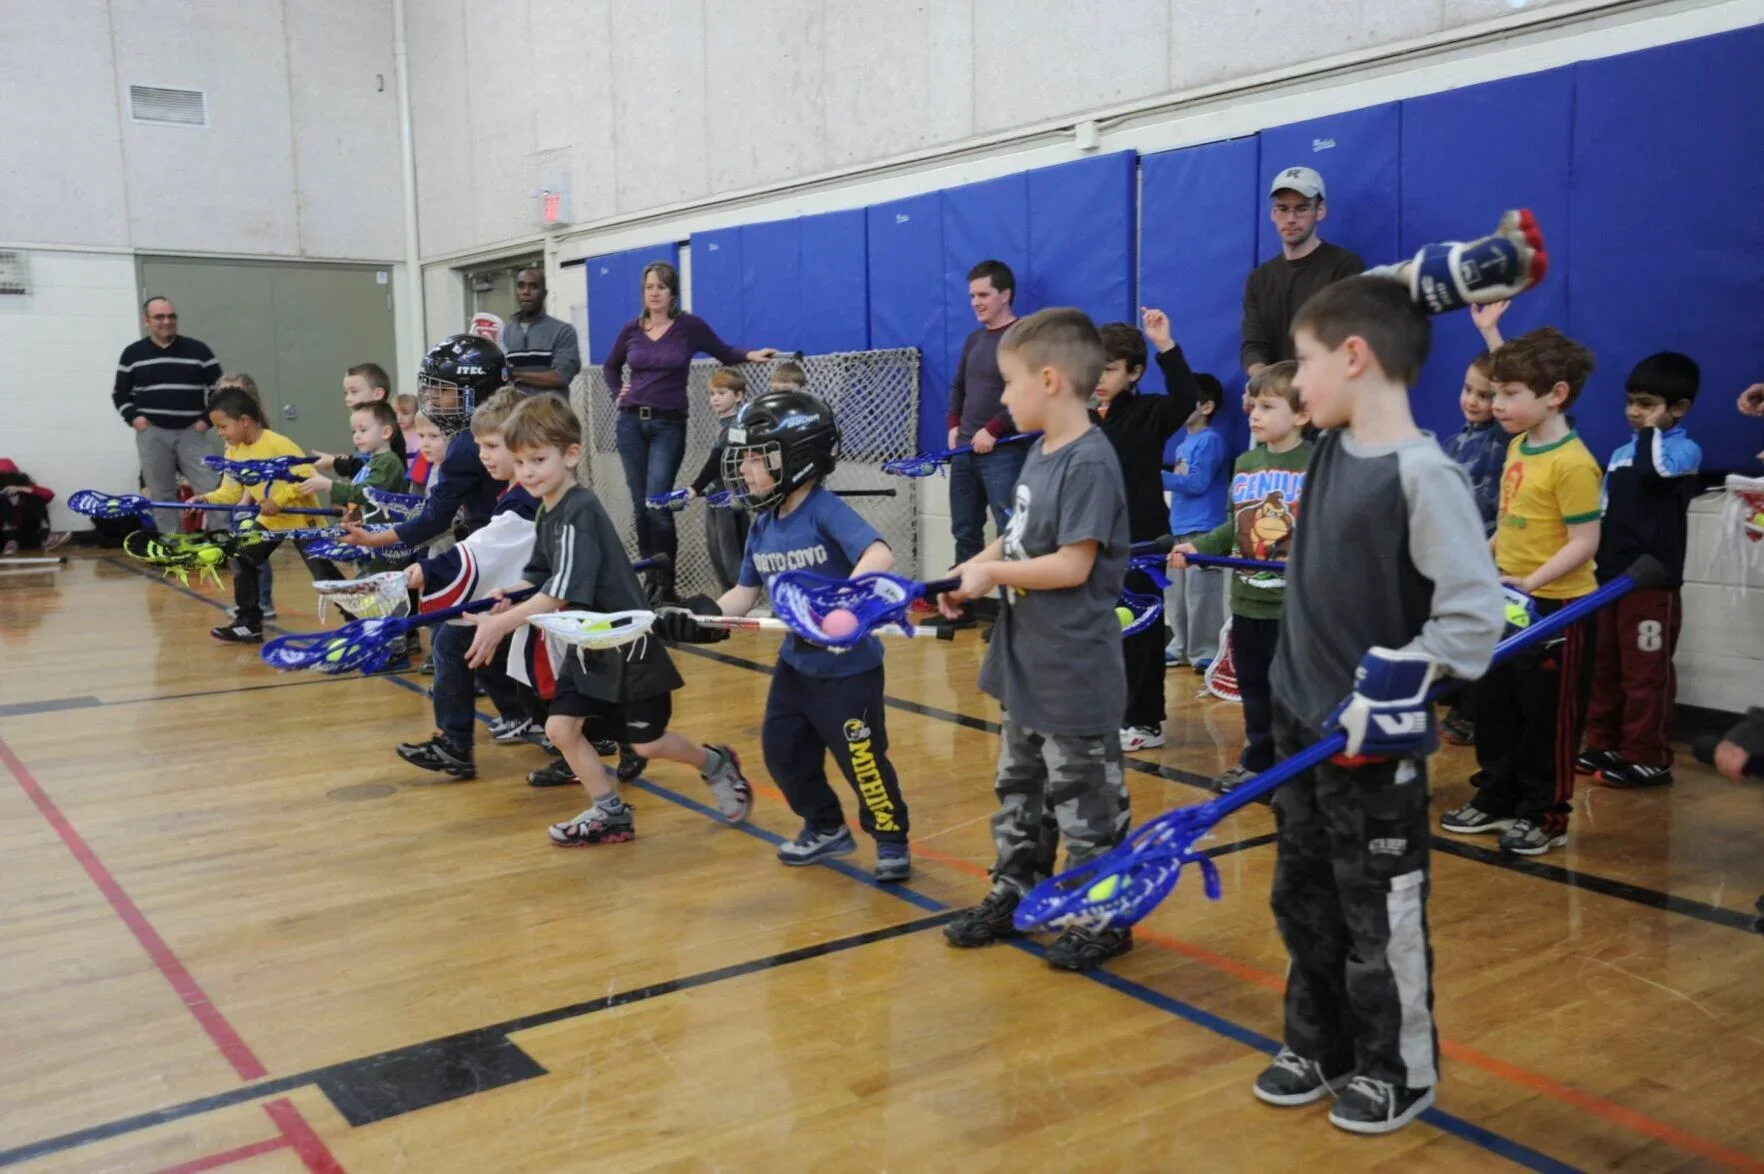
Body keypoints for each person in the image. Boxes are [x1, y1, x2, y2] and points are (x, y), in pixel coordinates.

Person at [1257, 274, 1503, 1135]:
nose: (1296, 381)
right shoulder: (1330, 444)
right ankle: (1317, 1043)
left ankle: (1398, 1068)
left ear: (1355, 357)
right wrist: (1447, 272)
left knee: (1378, 912)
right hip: (1300, 725)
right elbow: (1365, 299)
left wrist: (1396, 682)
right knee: (1303, 899)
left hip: (1370, 743)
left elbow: (1473, 621)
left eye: (1308, 361)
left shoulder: (1424, 473)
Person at [462, 395, 754, 844]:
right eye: (520, 462)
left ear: (571, 454)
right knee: (560, 728)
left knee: (648, 743)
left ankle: (715, 763)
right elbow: (541, 576)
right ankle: (610, 812)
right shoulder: (546, 510)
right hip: (589, 647)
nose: (527, 472)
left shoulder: (579, 510)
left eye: (538, 460)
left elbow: (559, 593)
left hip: (629, 649)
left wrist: (502, 624)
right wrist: (509, 595)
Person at [936, 308, 1134, 972]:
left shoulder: (1090, 461)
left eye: (1009, 383)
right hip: (1025, 661)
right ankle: (1016, 891)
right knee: (1020, 791)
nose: (1001, 399)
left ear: (1049, 380)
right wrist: (967, 572)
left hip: (1072, 670)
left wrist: (992, 575)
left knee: (1086, 804)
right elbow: (1015, 538)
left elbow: (1073, 565)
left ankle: (1104, 917)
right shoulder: (1039, 454)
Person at [691, 389, 914, 881]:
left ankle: (891, 837)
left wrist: (843, 601)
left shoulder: (823, 510)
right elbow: (743, 595)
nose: (745, 469)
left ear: (796, 459)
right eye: (743, 458)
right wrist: (698, 618)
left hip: (848, 668)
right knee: (782, 751)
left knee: (862, 761)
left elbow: (879, 554)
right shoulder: (762, 525)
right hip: (796, 665)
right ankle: (826, 826)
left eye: (756, 458)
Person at [1442, 327, 1601, 855]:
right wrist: (1480, 561)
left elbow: (1585, 542)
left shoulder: (1573, 463)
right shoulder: (1516, 446)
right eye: (1495, 392)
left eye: (1510, 394)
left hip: (1557, 609)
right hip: (1507, 602)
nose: (1497, 404)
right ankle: (1497, 795)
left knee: (1546, 719)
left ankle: (1544, 812)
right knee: (1496, 708)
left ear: (1555, 395)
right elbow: (1509, 523)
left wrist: (1532, 582)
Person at [1170, 362, 1313, 791]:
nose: (1254, 413)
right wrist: (1198, 546)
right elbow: (1235, 525)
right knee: (1254, 689)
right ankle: (1259, 761)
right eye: (1253, 404)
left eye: (1268, 406)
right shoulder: (1246, 463)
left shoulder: (1317, 462)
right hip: (1248, 601)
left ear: (1302, 414)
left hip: (1294, 608)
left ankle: (1299, 768)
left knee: (1294, 692)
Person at [601, 261, 776, 601]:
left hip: (668, 424)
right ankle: (650, 580)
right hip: (631, 423)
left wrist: (751, 354)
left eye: (661, 287)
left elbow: (724, 352)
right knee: (640, 507)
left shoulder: (688, 327)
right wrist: (616, 392)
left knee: (658, 502)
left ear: (673, 293)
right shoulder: (631, 330)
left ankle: (667, 585)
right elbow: (610, 366)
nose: (654, 293)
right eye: (649, 287)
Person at [397, 388, 542, 777]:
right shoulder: (515, 491)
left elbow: (486, 547)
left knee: (454, 638)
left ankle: (457, 744)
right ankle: (522, 715)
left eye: (492, 446)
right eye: (480, 447)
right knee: (473, 635)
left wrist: (431, 570)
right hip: (529, 594)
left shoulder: (525, 499)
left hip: (554, 602)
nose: (483, 456)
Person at [1578, 352, 1703, 788]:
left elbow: (1655, 474)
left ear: (1679, 408)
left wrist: (1650, 432)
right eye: (1631, 402)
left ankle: (1649, 755)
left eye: (1647, 404)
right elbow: (1604, 512)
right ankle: (1604, 744)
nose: (1634, 411)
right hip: (1609, 580)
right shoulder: (1620, 454)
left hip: (1651, 583)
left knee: (1644, 672)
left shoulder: (1683, 450)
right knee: (1604, 667)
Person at [1090, 314, 1199, 751]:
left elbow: (1186, 396)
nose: (1099, 378)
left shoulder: (1150, 412)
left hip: (1142, 543)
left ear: (1134, 373)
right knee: (1101, 632)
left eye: (1109, 369)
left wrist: (1165, 345)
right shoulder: (1082, 420)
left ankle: (1145, 721)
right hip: (1094, 543)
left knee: (1140, 632)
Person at [343, 335, 509, 559]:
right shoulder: (511, 422)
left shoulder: (466, 444)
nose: (431, 398)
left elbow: (436, 517)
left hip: (492, 549)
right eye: (430, 389)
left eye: (443, 390)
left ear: (477, 392)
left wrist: (373, 539)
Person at [192, 387, 324, 643]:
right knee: (243, 555)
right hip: (271, 519)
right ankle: (248, 623)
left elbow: (309, 477)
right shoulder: (233, 452)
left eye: (223, 427)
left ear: (244, 421)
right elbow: (230, 492)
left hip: (302, 519)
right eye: (217, 428)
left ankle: (361, 625)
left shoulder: (278, 444)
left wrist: (279, 500)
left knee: (325, 576)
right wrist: (205, 499)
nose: (220, 433)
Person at [942, 259, 1026, 629]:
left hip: (1003, 452)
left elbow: (1026, 389)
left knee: (1009, 533)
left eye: (983, 295)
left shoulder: (1022, 337)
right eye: (972, 296)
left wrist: (994, 429)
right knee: (965, 530)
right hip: (964, 450)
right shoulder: (974, 339)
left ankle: (1012, 617)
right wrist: (953, 423)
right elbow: (959, 386)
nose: (976, 302)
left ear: (1005, 295)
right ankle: (962, 609)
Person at [1436, 348, 1506, 746]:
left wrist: (1492, 337)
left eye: (1486, 395)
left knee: (1482, 639)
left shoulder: (1503, 438)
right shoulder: (1454, 441)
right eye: (1468, 390)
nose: (1473, 401)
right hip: (1453, 558)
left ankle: (1476, 715)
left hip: (1488, 555)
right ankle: (1461, 706)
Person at [112, 296, 223, 533]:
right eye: (159, 317)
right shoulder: (132, 354)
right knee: (161, 495)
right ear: (146, 321)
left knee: (213, 490)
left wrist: (206, 421)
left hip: (192, 434)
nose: (167, 321)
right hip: (152, 433)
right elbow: (120, 394)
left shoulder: (199, 351)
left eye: (171, 316)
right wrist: (134, 419)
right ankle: (174, 546)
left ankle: (223, 542)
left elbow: (220, 390)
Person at [1240, 168, 1364, 379]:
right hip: (1278, 392)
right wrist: (1264, 381)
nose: (1291, 218)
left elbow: (1347, 339)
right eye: (1283, 209)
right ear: (1273, 214)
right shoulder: (1259, 279)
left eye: (1302, 208)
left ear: (1320, 211)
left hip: (1327, 388)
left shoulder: (1344, 266)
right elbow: (1253, 346)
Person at [1161, 373, 1229, 673]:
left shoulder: (1210, 440)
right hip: (1180, 527)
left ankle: (1206, 650)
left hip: (1204, 527)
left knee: (1202, 595)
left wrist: (1155, 475)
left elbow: (1198, 483)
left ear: (1206, 407)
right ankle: (1180, 645)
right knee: (1175, 593)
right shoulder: (1183, 444)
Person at [297, 400, 411, 576]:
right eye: (354, 431)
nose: (357, 436)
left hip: (387, 545)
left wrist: (329, 486)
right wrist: (353, 513)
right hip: (373, 541)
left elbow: (366, 493)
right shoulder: (373, 462)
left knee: (381, 586)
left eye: (363, 430)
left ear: (386, 432)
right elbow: (365, 501)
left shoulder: (389, 462)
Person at [684, 367, 751, 592]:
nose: (715, 399)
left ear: (739, 396)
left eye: (722, 393)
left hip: (730, 493)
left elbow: (718, 458)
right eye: (712, 394)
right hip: (716, 492)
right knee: (715, 547)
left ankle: (739, 592)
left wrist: (695, 487)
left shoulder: (737, 425)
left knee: (729, 547)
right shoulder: (723, 424)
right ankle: (727, 592)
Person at [503, 268, 582, 396]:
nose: (526, 292)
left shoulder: (563, 331)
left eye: (533, 287)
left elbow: (561, 377)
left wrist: (515, 375)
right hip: (515, 408)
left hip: (548, 408)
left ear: (544, 294)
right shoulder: (506, 331)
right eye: (521, 286)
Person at [0, 460, 68, 555]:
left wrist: (21, 489)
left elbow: (49, 494)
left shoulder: (26, 488)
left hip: (27, 534)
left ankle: (46, 537)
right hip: (3, 537)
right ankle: (10, 540)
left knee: (36, 498)